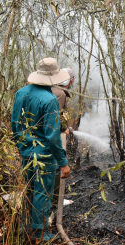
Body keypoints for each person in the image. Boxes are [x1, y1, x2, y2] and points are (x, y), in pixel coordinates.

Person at [11, 57, 71, 241]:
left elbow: (14, 124)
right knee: (42, 194)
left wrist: (22, 147)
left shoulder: (20, 93)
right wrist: (63, 163)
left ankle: (25, 226)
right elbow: (52, 136)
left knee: (29, 190)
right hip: (44, 157)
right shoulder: (50, 100)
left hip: (26, 154)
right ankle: (39, 233)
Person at [51, 68, 75, 206]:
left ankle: (52, 199)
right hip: (53, 135)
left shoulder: (54, 90)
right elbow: (55, 117)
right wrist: (63, 128)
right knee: (55, 166)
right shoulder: (60, 94)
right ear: (70, 80)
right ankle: (55, 200)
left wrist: (67, 127)